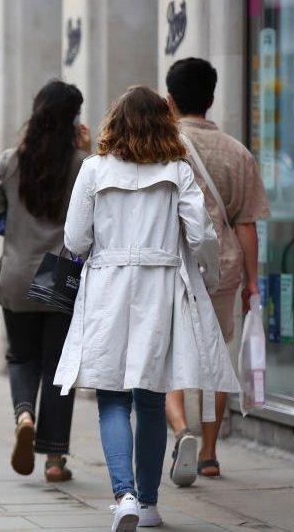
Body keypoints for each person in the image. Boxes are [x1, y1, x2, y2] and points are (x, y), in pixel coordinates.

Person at [53, 86, 241, 531]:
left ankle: (124, 496)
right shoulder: (178, 171)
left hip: (108, 289)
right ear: (164, 123)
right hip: (161, 287)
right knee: (152, 399)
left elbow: (75, 239)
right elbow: (201, 235)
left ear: (114, 123)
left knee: (112, 396)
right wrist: (209, 277)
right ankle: (151, 501)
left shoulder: (94, 170)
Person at [164, 57, 270, 485]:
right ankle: (208, 452)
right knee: (215, 358)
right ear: (211, 99)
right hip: (222, 269)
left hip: (173, 266)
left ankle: (180, 430)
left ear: (170, 100)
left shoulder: (162, 148)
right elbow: (246, 225)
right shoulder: (237, 152)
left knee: (169, 355)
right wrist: (252, 281)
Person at [0, 80, 89, 482]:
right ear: (73, 119)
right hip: (59, 271)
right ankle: (55, 460)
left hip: (18, 272)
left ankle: (24, 414)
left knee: (21, 356)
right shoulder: (80, 164)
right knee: (59, 366)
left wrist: (13, 233)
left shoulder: (11, 160)